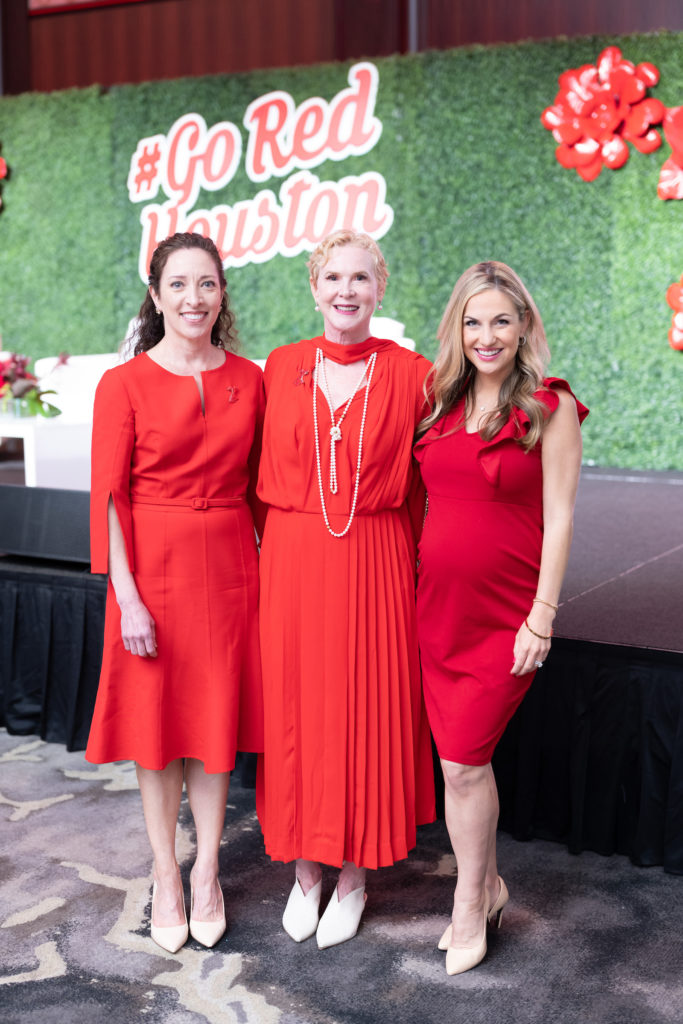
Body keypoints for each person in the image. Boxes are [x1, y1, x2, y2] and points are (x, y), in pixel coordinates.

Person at [86, 232, 265, 954]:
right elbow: (108, 497)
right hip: (149, 572)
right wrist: (126, 597)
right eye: (179, 285)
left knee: (214, 729)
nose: (194, 299)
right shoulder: (122, 384)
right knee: (157, 737)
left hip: (229, 567)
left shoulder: (250, 380)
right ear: (156, 296)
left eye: (208, 284)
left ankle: (209, 872)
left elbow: (264, 490)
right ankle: (166, 871)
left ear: (222, 294)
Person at [256, 229, 435, 949]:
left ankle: (354, 879)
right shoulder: (281, 366)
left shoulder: (415, 373)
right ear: (313, 287)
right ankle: (305, 874)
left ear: (380, 287)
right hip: (295, 561)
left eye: (360, 277)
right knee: (300, 714)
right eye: (333, 277)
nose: (345, 291)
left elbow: (432, 481)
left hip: (378, 556)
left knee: (367, 710)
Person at [414, 261, 588, 976]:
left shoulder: (548, 406)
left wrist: (540, 616)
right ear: (457, 328)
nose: (487, 336)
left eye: (501, 321)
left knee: (462, 761)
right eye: (473, 321)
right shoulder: (436, 404)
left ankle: (468, 902)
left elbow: (560, 516)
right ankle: (485, 884)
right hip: (436, 612)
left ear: (524, 328)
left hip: (505, 614)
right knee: (458, 767)